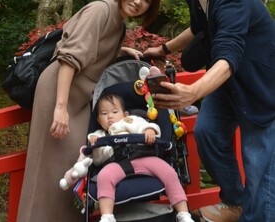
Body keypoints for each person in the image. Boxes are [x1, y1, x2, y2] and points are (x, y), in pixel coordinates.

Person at [143, 0, 275, 222]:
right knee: (207, 133)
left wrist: (193, 91)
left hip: (260, 88)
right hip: (228, 84)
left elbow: (229, 55)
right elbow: (199, 28)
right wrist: (163, 48)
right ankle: (235, 203)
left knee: (259, 169)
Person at [16, 0, 161, 222]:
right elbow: (70, 58)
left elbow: (95, 55)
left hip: (79, 98)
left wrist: (122, 50)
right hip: (61, 90)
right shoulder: (100, 11)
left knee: (74, 166)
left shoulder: (118, 23)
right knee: (47, 171)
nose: (138, 1)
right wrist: (59, 107)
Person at [60, 92, 193, 222]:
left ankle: (183, 213)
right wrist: (96, 145)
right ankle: (107, 216)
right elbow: (98, 160)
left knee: (169, 172)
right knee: (104, 176)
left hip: (144, 157)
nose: (109, 117)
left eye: (114, 112)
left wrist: (149, 130)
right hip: (117, 164)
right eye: (104, 114)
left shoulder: (131, 121)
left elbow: (147, 126)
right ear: (98, 120)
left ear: (125, 114)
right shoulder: (99, 135)